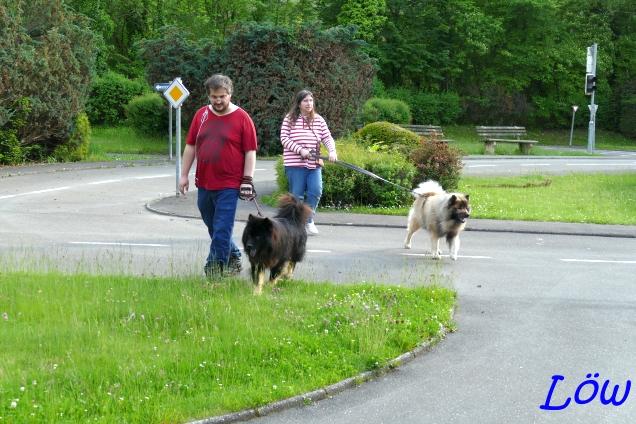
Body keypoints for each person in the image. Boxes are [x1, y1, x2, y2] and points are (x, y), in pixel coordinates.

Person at [179, 74, 258, 277]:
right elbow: (190, 146)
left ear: (230, 94)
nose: (218, 101)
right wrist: (184, 175)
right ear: (209, 95)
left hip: (230, 184)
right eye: (214, 96)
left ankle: (214, 268)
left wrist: (247, 179)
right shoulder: (201, 115)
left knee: (222, 227)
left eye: (222, 96)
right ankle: (233, 256)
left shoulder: (242, 118)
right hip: (204, 183)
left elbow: (250, 151)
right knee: (213, 225)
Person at [280, 89, 337, 235]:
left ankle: (309, 219)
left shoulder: (318, 119)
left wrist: (332, 151)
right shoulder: (290, 119)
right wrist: (300, 150)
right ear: (299, 103)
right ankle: (296, 224)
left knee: (316, 191)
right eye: (305, 100)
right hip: (295, 164)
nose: (309, 103)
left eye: (311, 100)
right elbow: (284, 139)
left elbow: (327, 137)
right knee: (297, 195)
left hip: (314, 163)